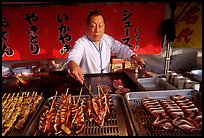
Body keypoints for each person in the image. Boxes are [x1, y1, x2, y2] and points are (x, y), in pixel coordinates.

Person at [67, 10, 145, 84]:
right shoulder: (82, 42)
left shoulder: (106, 39)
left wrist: (133, 56)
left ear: (104, 26)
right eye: (93, 26)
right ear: (87, 27)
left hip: (106, 82)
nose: (97, 30)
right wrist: (73, 65)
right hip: (88, 83)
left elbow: (121, 49)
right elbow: (73, 56)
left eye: (100, 26)